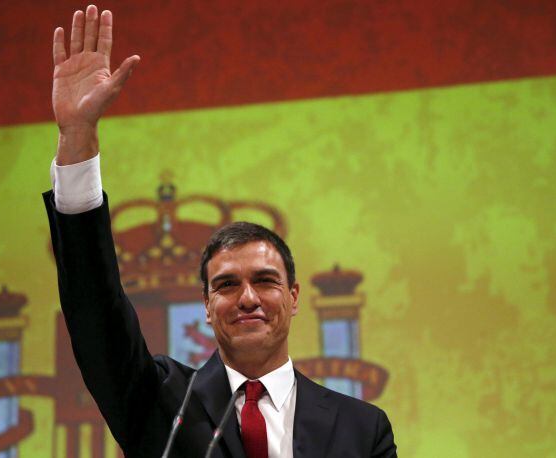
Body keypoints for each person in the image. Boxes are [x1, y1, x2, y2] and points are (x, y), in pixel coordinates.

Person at [44, 5, 397, 457]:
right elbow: (97, 312)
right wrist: (78, 137)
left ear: (293, 296)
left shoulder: (362, 428)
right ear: (207, 307)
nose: (247, 297)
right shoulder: (157, 402)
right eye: (227, 284)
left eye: (265, 280)